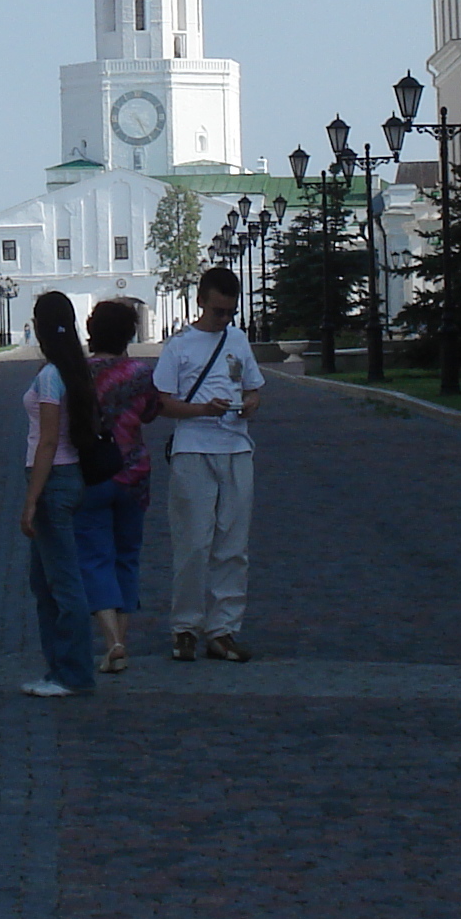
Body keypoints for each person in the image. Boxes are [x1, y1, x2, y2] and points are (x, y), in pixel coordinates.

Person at [152, 266, 263, 662]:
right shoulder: (178, 346)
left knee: (233, 545)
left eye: (229, 312)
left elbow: (253, 387)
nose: (224, 319)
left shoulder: (237, 340)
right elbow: (161, 402)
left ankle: (224, 629)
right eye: (217, 311)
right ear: (200, 301)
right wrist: (202, 408)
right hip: (193, 449)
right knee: (194, 544)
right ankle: (185, 627)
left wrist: (249, 404)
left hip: (236, 448)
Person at [18, 290, 100, 697]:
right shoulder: (73, 369)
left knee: (64, 584)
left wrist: (32, 498)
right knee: (44, 582)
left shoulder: (51, 376)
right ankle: (57, 669)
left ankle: (73, 674)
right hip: (67, 477)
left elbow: (48, 441)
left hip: (53, 479)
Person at [75, 296, 159, 674]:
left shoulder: (76, 373)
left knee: (94, 557)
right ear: (129, 334)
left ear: (92, 331)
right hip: (134, 473)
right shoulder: (140, 372)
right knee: (128, 555)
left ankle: (111, 641)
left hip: (91, 472)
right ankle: (122, 640)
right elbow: (152, 412)